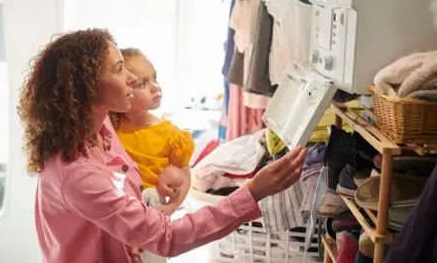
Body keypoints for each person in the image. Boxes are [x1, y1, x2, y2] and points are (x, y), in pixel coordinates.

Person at [17, 28, 308, 263]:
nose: (130, 78)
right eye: (119, 69)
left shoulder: (100, 127)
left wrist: (132, 228)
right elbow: (167, 237)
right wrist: (253, 192)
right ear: (88, 87)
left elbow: (116, 199)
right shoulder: (77, 173)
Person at [109, 47, 194, 217]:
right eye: (142, 84)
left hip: (151, 212)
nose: (155, 87)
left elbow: (184, 175)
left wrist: (173, 206)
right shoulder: (110, 127)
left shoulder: (172, 135)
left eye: (155, 78)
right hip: (119, 211)